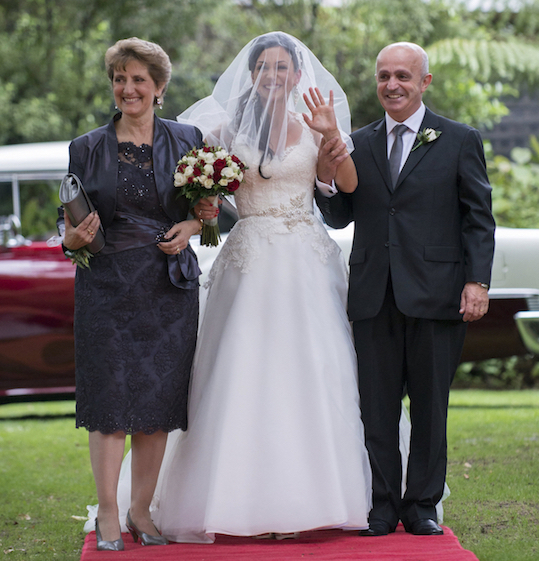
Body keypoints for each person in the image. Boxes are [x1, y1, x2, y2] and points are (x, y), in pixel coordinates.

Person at [109, 31, 371, 543]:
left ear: (298, 76)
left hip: (306, 263)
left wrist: (333, 138)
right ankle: (228, 496)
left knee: (316, 371)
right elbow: (192, 187)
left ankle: (319, 498)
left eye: (282, 68)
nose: (273, 76)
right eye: (264, 68)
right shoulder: (225, 131)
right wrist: (201, 210)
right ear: (251, 75)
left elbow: (345, 186)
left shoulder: (314, 125)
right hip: (249, 261)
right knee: (240, 371)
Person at [316, 42, 495, 537]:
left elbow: (479, 218)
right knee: (375, 407)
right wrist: (327, 179)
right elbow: (338, 216)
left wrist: (477, 282)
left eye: (402, 76)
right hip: (374, 293)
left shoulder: (459, 139)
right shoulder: (359, 142)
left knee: (430, 407)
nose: (392, 85)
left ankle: (421, 506)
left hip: (438, 294)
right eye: (383, 76)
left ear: (424, 82)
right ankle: (380, 505)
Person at [61, 37, 209, 551]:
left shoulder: (189, 139)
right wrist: (69, 240)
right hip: (105, 287)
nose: (128, 89)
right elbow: (69, 223)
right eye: (120, 79)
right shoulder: (87, 146)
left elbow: (210, 215)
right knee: (108, 404)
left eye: (138, 80)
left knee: (157, 404)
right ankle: (107, 514)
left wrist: (190, 226)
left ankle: (141, 512)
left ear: (159, 87)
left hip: (168, 289)